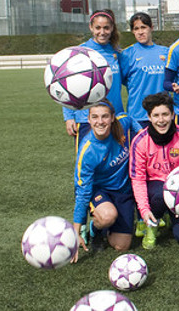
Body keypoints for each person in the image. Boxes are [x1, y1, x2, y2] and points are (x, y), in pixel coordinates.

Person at [71, 100, 140, 263]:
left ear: (112, 118)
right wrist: (76, 230)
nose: (100, 121)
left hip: (123, 191)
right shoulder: (88, 150)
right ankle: (95, 230)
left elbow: (130, 119)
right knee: (108, 216)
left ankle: (108, 225)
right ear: (88, 119)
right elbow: (82, 192)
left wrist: (141, 135)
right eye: (94, 117)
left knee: (122, 246)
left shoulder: (121, 125)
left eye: (104, 117)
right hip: (100, 191)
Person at [129, 92, 179, 249]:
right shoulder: (140, 141)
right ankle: (151, 224)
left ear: (173, 114)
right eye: (156, 115)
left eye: (165, 114)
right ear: (149, 117)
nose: (161, 120)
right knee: (160, 195)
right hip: (155, 188)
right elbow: (138, 179)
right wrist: (144, 210)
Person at [63, 9, 125, 149]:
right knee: (88, 162)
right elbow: (66, 85)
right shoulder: (80, 52)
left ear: (112, 28)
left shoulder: (117, 52)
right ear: (91, 27)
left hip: (115, 117)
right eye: (98, 28)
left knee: (115, 162)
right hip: (86, 119)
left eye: (106, 28)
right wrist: (69, 117)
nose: (102, 32)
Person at [120, 12, 168, 128]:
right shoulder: (127, 54)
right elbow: (121, 80)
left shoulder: (166, 52)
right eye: (136, 29)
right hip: (138, 116)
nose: (140, 32)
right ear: (132, 31)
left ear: (151, 28)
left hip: (163, 115)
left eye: (143, 27)